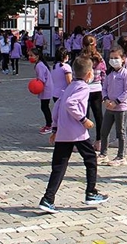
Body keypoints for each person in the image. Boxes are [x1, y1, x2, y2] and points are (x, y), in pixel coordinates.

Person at [38, 56, 109, 213]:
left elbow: (57, 106)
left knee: (59, 166)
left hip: (63, 131)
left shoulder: (70, 86)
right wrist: (83, 119)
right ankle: (91, 192)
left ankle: (48, 199)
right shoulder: (83, 88)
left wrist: (55, 129)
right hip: (77, 132)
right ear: (89, 74)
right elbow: (71, 104)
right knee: (91, 159)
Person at [98, 48, 127, 167]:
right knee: (104, 131)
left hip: (121, 108)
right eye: (111, 58)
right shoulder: (110, 74)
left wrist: (116, 101)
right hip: (109, 108)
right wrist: (105, 99)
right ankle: (103, 154)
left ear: (123, 59)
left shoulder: (126, 74)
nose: (113, 60)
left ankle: (121, 156)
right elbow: (104, 88)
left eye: (116, 58)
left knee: (121, 132)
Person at [81, 35, 107, 148]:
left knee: (83, 116)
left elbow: (77, 74)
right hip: (97, 89)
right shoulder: (99, 58)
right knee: (98, 116)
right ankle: (99, 141)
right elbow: (104, 74)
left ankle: (83, 141)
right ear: (95, 44)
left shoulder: (82, 59)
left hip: (84, 89)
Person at [32, 47, 54, 135]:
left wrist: (36, 85)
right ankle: (50, 124)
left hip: (46, 88)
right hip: (46, 88)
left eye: (31, 55)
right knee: (44, 107)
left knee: (44, 107)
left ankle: (50, 125)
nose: (30, 57)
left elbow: (41, 79)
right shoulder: (40, 64)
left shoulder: (39, 65)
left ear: (37, 56)